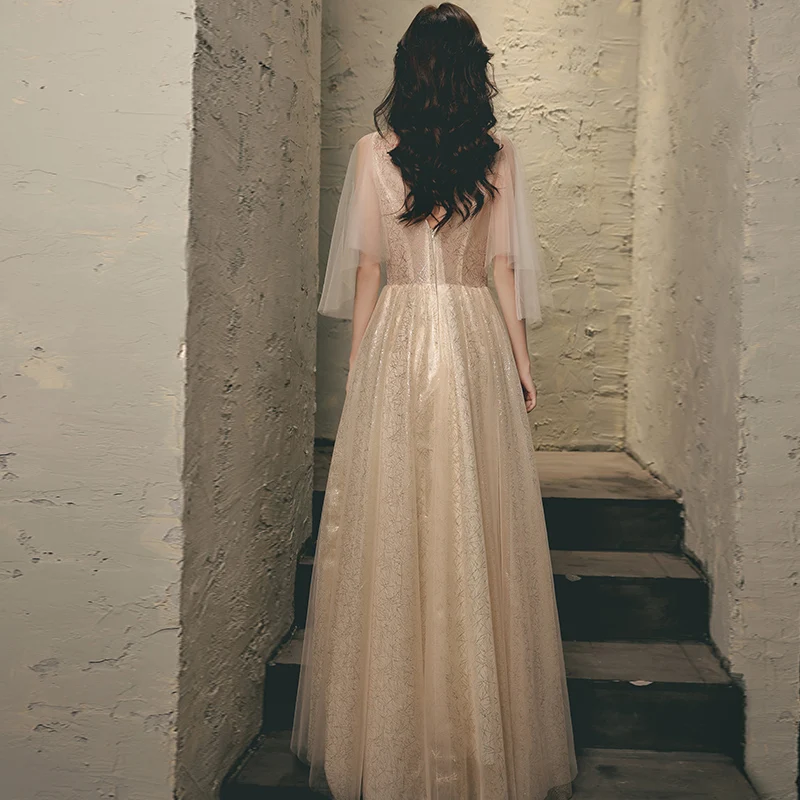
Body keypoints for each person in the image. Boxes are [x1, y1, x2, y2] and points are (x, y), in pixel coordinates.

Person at [290, 4, 578, 798]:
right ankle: (476, 733)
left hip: (400, 340)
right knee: (474, 518)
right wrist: (522, 363)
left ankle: (389, 733)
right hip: (474, 335)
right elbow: (507, 273)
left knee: (396, 518)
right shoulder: (499, 155)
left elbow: (369, 274)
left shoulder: (369, 153)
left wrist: (358, 373)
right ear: (473, 72)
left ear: (408, 68)